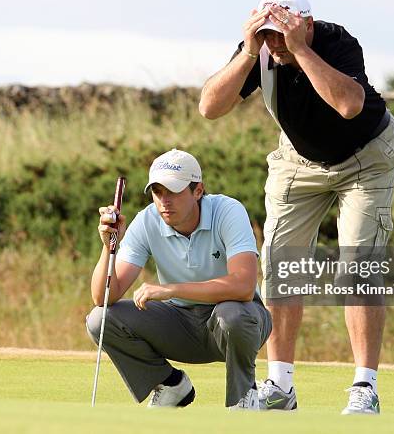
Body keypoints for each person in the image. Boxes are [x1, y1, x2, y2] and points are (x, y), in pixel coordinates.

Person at [199, 0, 394, 415]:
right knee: (280, 265)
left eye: (283, 33)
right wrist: (248, 53)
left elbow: (349, 105)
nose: (275, 43)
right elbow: (209, 108)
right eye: (268, 34)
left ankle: (365, 387)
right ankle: (280, 385)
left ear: (306, 24)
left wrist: (298, 50)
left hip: (366, 157)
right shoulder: (259, 50)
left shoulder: (336, 42)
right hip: (299, 161)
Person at [85, 148, 272, 410]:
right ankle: (171, 385)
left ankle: (243, 397)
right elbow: (103, 296)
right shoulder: (147, 220)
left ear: (198, 191)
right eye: (158, 192)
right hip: (180, 324)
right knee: (99, 319)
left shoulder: (228, 211)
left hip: (238, 321)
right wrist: (108, 247)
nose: (164, 200)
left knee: (232, 314)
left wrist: (170, 288)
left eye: (173, 191)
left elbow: (242, 286)